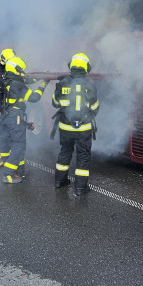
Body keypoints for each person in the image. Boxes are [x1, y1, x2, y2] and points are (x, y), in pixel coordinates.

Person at [52, 52, 99, 195]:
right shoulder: (90, 85)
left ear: (71, 66)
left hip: (65, 127)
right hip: (83, 129)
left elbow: (55, 104)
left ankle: (60, 181)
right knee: (83, 156)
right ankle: (80, 188)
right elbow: (95, 108)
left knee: (65, 152)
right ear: (86, 68)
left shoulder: (62, 83)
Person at [0, 56, 47, 183]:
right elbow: (34, 98)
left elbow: (27, 80)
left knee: (13, 145)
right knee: (19, 146)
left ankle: (20, 171)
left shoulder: (4, 81)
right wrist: (44, 84)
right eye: (21, 70)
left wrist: (40, 76)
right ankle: (8, 174)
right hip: (14, 117)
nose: (23, 72)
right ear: (16, 69)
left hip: (5, 117)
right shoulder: (17, 84)